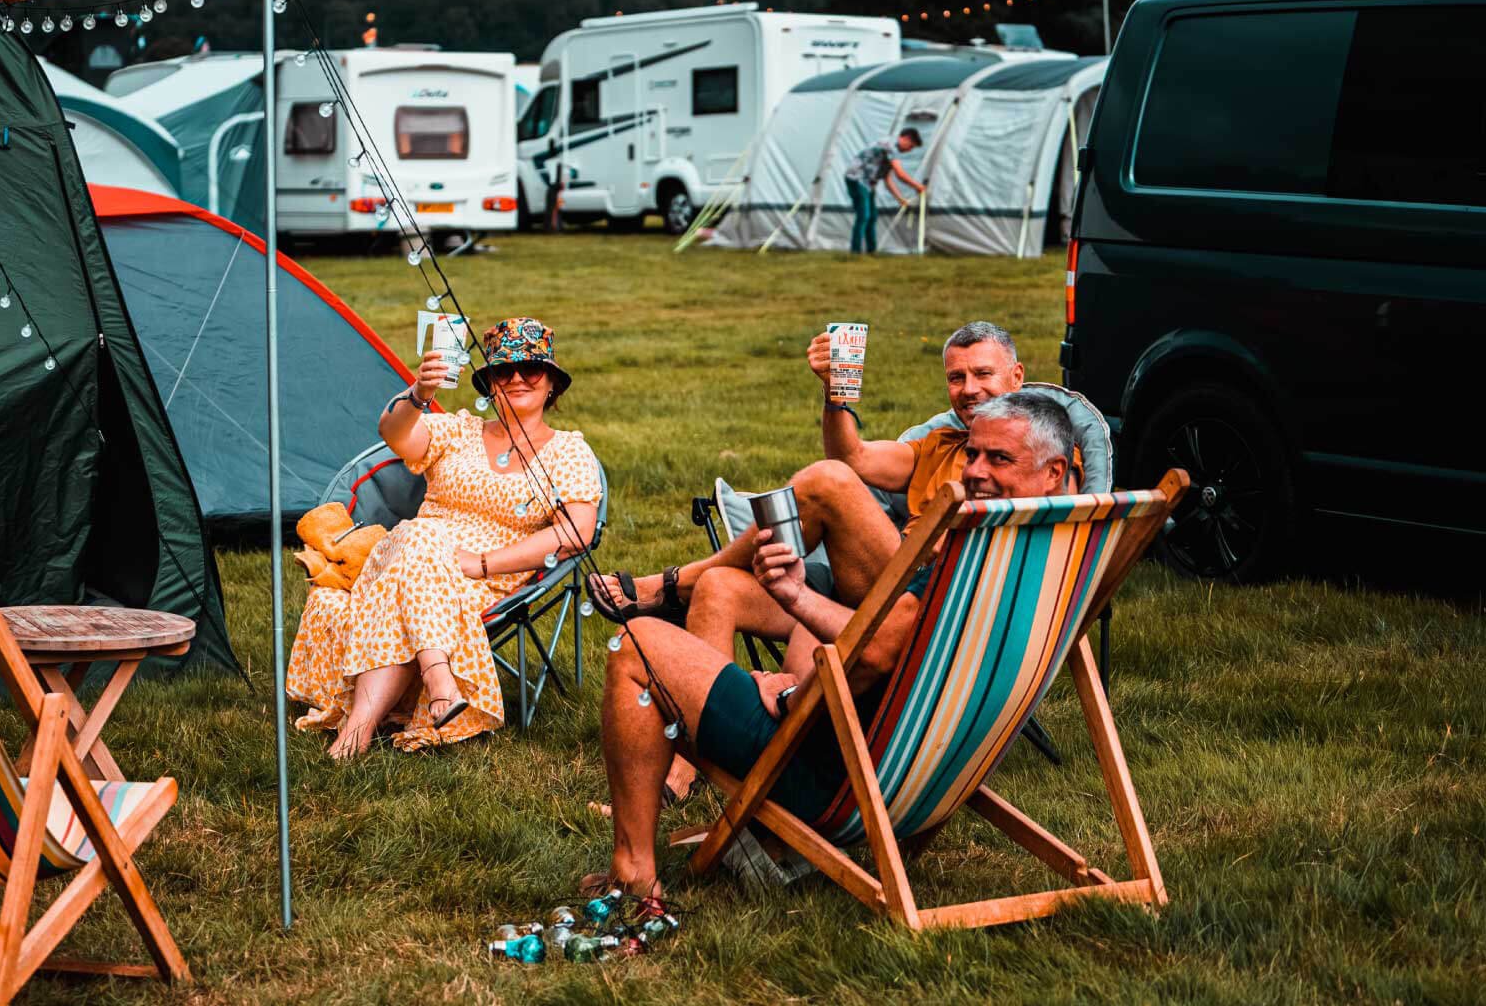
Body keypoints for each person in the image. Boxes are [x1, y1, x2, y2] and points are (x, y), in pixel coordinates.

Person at [593, 392, 1077, 898]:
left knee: (636, 643)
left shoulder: (970, 558)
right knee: (728, 598)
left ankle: (633, 869)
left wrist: (788, 694)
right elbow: (894, 653)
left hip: (832, 774)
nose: (975, 471)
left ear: (1052, 471)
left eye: (999, 458)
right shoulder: (1050, 559)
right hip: (925, 777)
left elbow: (875, 654)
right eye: (972, 454)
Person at [587, 321, 1037, 805]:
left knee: (828, 482)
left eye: (983, 374)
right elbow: (854, 455)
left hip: (921, 613)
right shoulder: (943, 444)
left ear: (1016, 376)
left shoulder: (1036, 459)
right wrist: (834, 395)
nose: (969, 389)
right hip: (861, 598)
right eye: (956, 377)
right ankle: (689, 764)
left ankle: (675, 584)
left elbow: (845, 475)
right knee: (720, 586)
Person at [287, 317, 601, 758]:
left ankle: (356, 731)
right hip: (408, 556)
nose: (515, 378)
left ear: (552, 382)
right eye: (502, 371)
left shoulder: (568, 451)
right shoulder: (458, 430)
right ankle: (440, 681)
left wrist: (483, 563)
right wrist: (420, 394)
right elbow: (393, 434)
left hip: (486, 579)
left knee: (413, 559)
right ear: (489, 384)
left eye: (530, 369)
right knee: (421, 536)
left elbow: (576, 531)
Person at [844, 127, 925, 255]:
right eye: (911, 146)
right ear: (906, 138)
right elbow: (900, 174)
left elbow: (888, 179)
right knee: (864, 215)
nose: (909, 150)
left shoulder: (890, 152)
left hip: (868, 183)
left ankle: (871, 251)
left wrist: (900, 199)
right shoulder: (890, 145)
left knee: (872, 217)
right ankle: (855, 251)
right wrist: (918, 186)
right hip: (857, 179)